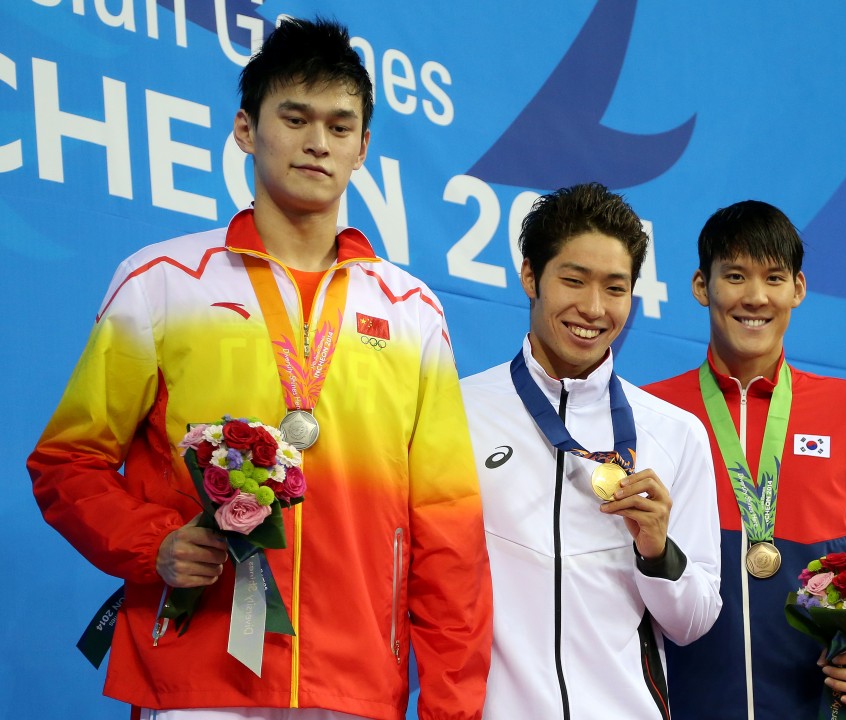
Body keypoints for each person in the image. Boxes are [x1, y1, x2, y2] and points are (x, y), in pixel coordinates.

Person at [27, 17, 491, 720]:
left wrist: (453, 708)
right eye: (295, 118)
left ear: (363, 147)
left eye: (340, 126)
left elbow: (447, 529)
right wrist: (153, 543)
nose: (317, 143)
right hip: (195, 673)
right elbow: (67, 463)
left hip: (357, 683)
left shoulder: (410, 312)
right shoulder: (163, 282)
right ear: (246, 129)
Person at [644, 199, 846, 719]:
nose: (755, 297)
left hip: (823, 709)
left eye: (774, 278)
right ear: (700, 285)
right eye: (734, 275)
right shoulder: (651, 413)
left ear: (797, 289)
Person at [460, 183, 722, 719]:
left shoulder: (675, 433)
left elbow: (693, 621)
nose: (594, 309)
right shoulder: (457, 412)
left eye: (615, 288)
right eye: (574, 280)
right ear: (531, 276)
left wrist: (657, 551)